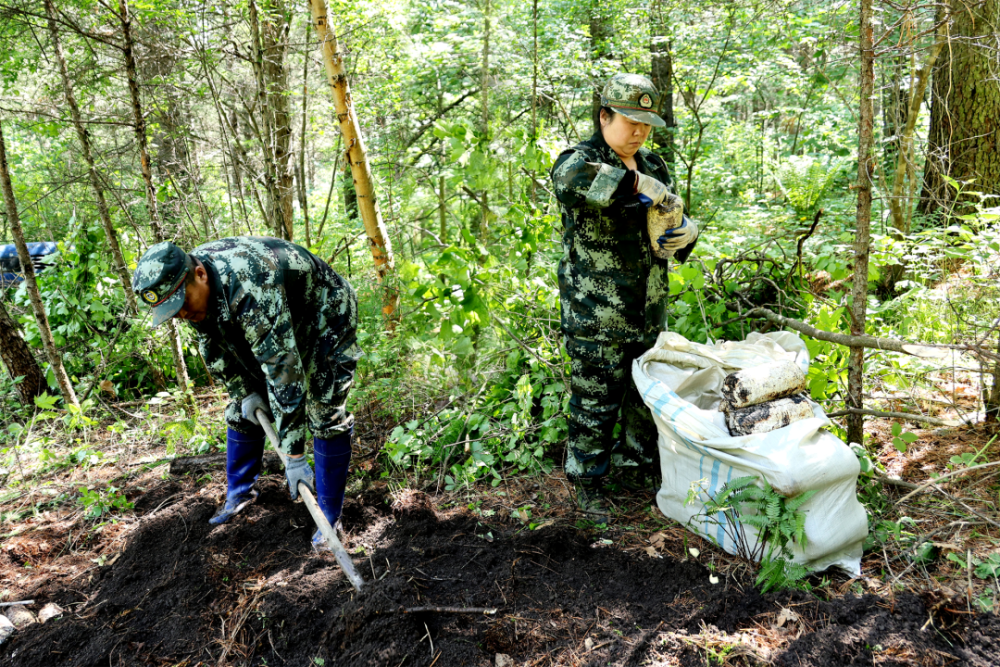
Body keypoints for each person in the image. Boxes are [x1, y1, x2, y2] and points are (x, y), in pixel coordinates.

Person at [132, 237, 360, 550]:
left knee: (324, 411)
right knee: (244, 408)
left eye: (183, 304)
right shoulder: (193, 295)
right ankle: (240, 493)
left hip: (325, 312)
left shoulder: (249, 282)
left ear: (199, 274)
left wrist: (294, 457)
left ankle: (330, 517)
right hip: (274, 319)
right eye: (174, 311)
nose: (182, 314)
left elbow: (284, 371)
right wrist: (244, 391)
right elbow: (212, 346)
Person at [550, 73, 699, 518]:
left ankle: (638, 475)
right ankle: (588, 484)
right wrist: (638, 188)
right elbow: (572, 181)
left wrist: (686, 233)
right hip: (597, 314)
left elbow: (671, 224)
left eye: (646, 124)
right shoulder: (579, 160)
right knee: (595, 403)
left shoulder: (654, 165)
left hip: (648, 310)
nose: (638, 132)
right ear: (604, 117)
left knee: (644, 400)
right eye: (630, 121)